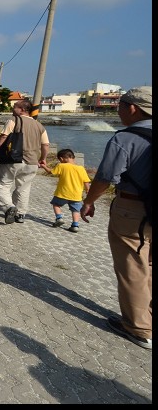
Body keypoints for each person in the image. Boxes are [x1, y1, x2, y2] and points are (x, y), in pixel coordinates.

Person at [80, 86, 151, 350]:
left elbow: (106, 177)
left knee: (133, 265)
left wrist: (88, 202)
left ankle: (139, 328)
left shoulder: (126, 138)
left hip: (133, 210)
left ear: (133, 108)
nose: (118, 111)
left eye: (120, 105)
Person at [0, 99, 49, 224]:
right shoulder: (40, 126)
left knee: (2, 185)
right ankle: (21, 214)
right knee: (24, 188)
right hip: (32, 163)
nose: (13, 108)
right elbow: (45, 145)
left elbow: (4, 136)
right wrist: (43, 159)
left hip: (13, 160)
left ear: (22, 109)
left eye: (15, 106)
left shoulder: (14, 120)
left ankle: (9, 208)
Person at [38, 148, 91, 232]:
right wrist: (88, 191)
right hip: (76, 195)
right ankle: (75, 225)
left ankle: (59, 218)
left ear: (62, 158)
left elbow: (50, 172)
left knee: (56, 204)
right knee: (76, 210)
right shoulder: (81, 168)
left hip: (62, 193)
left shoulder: (61, 166)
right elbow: (86, 181)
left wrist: (43, 166)